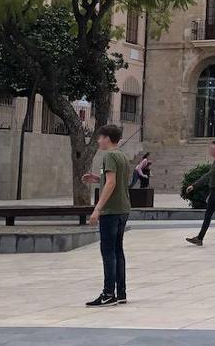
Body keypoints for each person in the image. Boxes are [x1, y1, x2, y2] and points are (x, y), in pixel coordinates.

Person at [81, 124, 131, 307]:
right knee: (118, 251)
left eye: (100, 137)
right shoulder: (122, 156)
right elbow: (115, 180)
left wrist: (97, 209)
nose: (98, 140)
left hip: (111, 211)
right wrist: (97, 178)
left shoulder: (109, 155)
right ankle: (121, 292)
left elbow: (111, 183)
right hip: (123, 209)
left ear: (108, 138)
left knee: (108, 252)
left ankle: (108, 293)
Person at [184, 140, 215, 247]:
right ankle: (200, 238)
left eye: (212, 149)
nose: (210, 151)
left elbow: (208, 175)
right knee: (208, 215)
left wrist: (194, 185)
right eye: (210, 149)